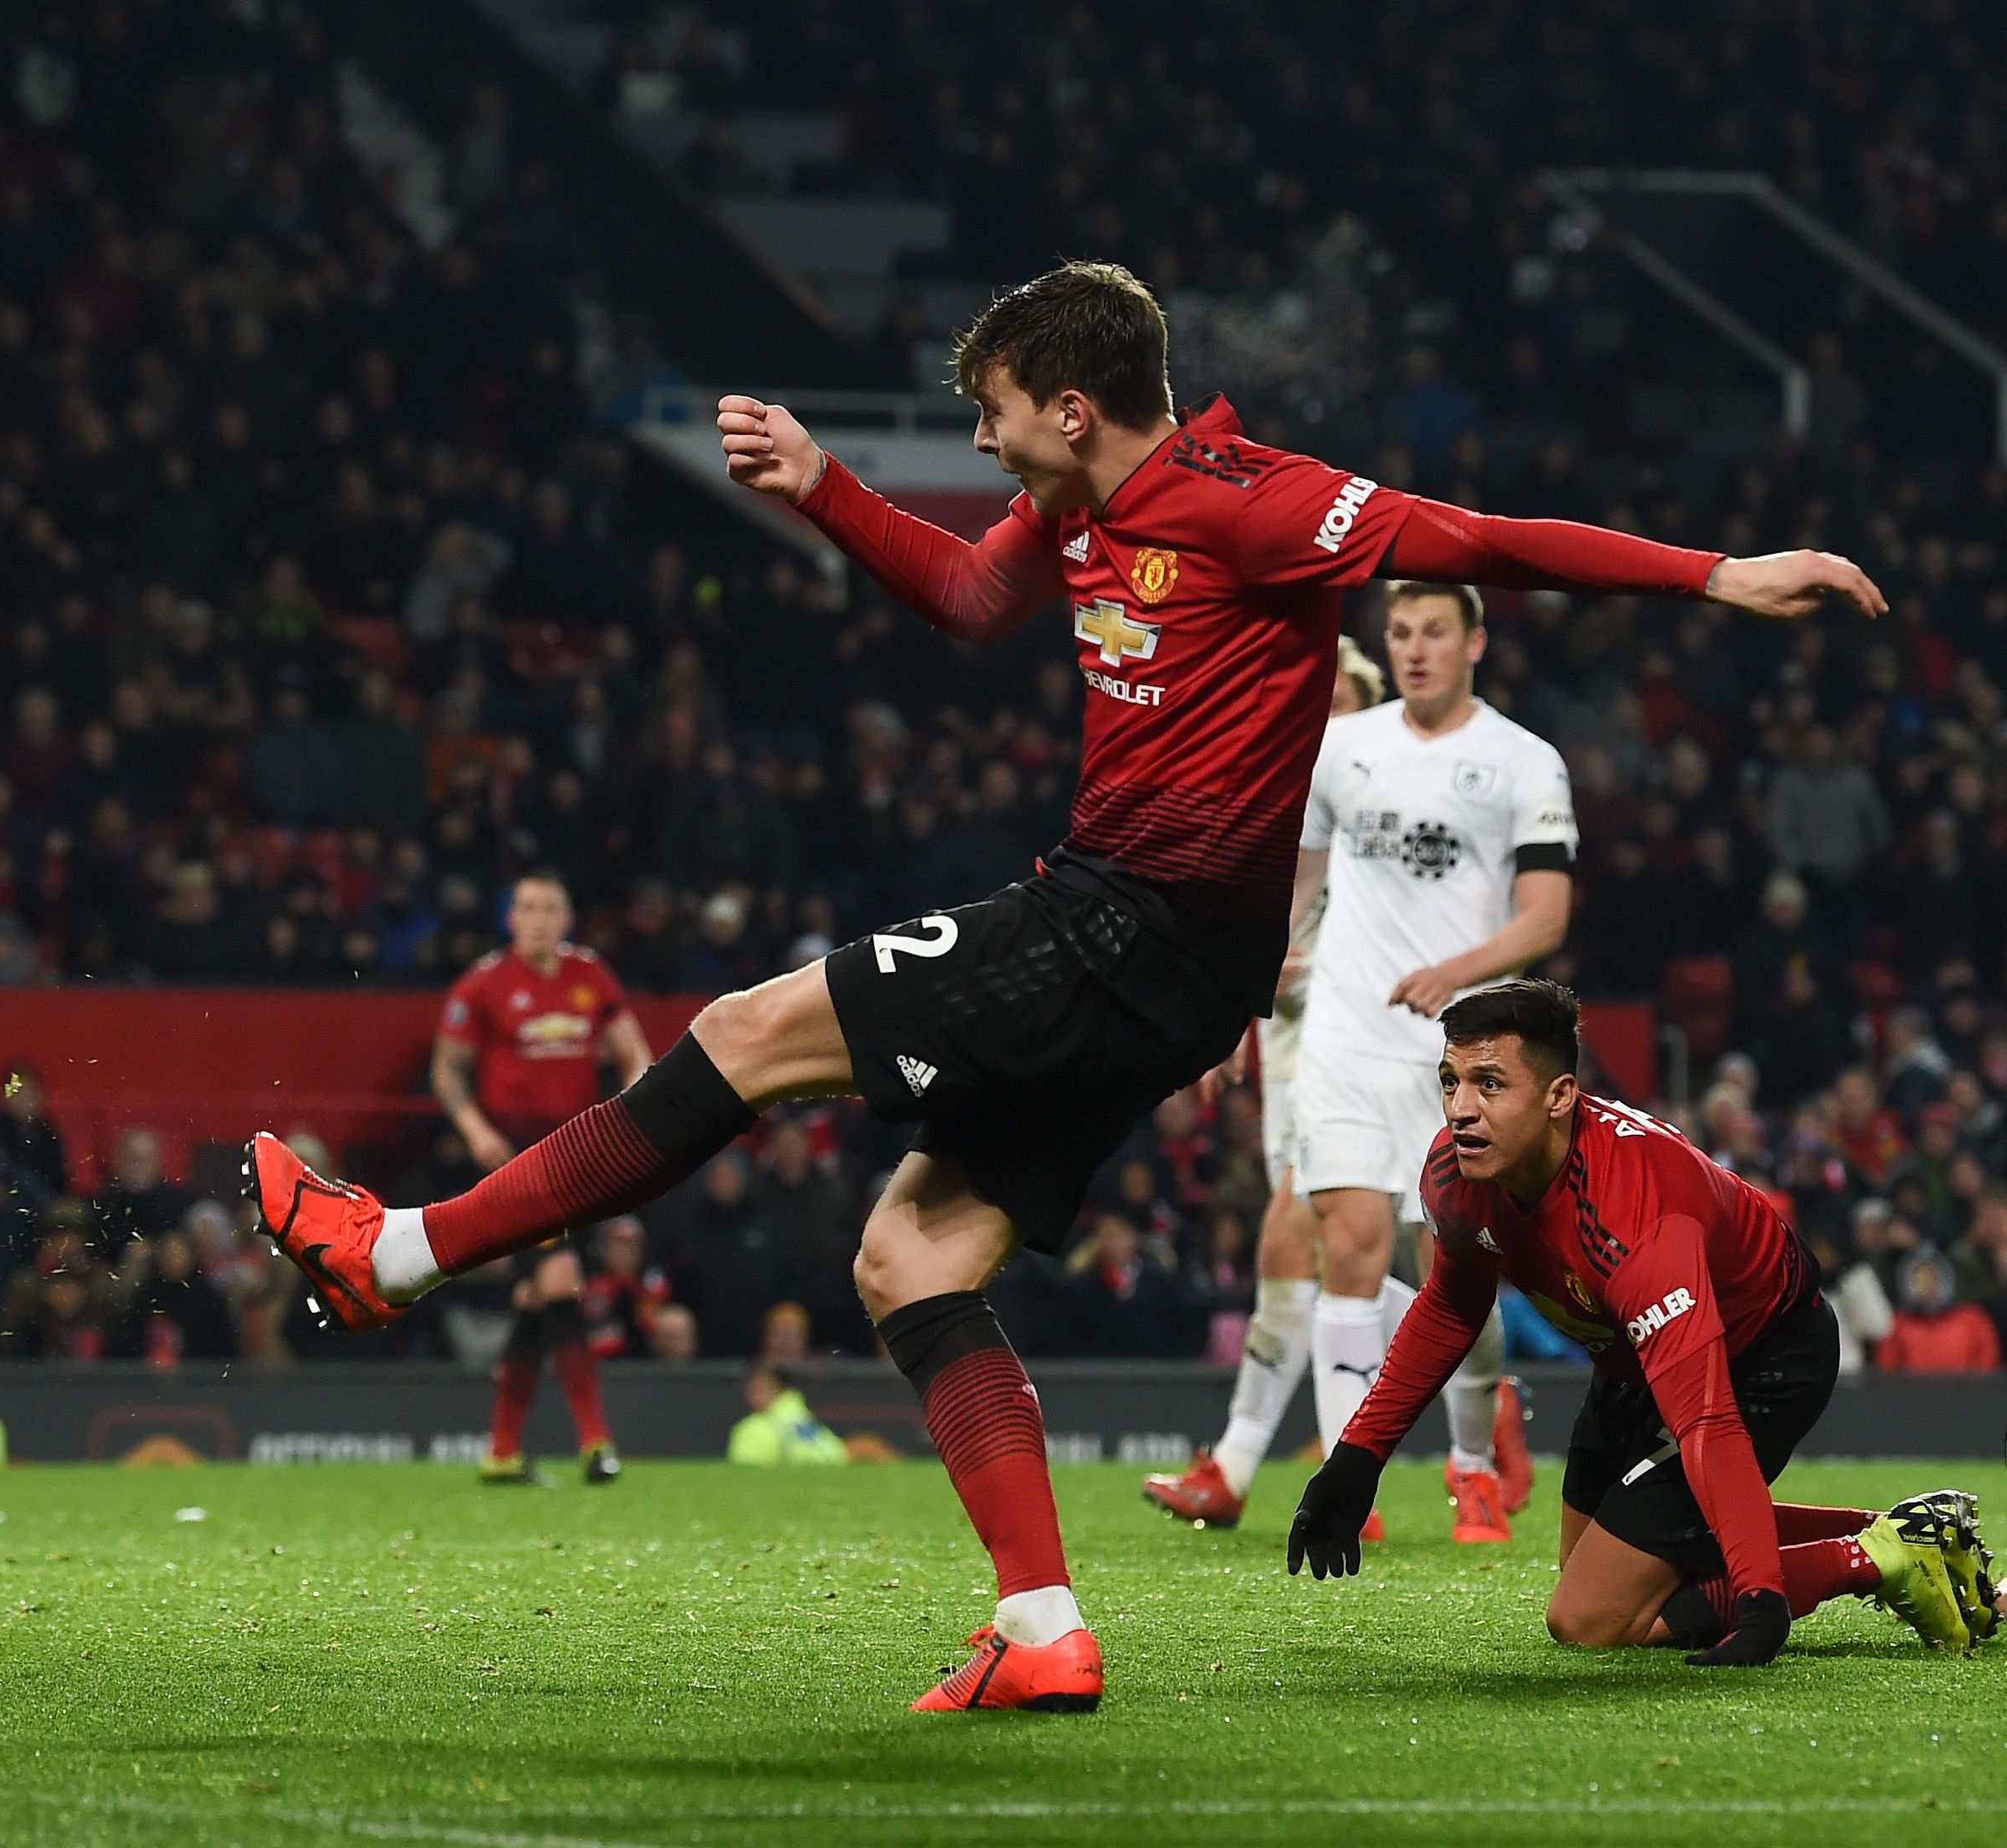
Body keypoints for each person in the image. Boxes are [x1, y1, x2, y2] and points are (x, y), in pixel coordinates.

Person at [246, 260, 1881, 1713]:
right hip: (1157, 961)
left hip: (1131, 924)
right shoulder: (1076, 514)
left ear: (1076, 405)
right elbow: (964, 597)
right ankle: (1041, 1626)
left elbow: (1473, 539)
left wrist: (1713, 572)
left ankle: (396, 1251)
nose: (979, 440)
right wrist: (820, 485)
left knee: (742, 1034)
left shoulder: (1249, 499)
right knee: (910, 1258)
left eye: (995, 411)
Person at [1287, 979, 1996, 1664]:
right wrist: (1357, 1458)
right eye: (1451, 1081)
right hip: (1632, 1356)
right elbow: (1450, 1305)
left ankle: (1871, 1559)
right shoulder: (1458, 1170)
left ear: (1561, 1095)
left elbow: (1708, 1423)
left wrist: (1760, 1597)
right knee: (1591, 1564)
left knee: (1589, 1617)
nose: (1460, 1110)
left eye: (1491, 1084)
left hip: (1761, 1355)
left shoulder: (1635, 1218)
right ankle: (1902, 1533)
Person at [1153, 588, 1556, 1539]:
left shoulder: (1464, 769)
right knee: (1309, 1240)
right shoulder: (1299, 786)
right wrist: (1234, 1001)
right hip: (1316, 1035)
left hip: (1411, 1035)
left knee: (1416, 1254)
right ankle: (1300, 1473)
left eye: (1331, 700)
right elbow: (1275, 911)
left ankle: (1468, 1408)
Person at [428, 869, 652, 1484]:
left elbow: (634, 1052)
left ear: (567, 917)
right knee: (560, 1279)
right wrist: (476, 1131)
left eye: (551, 907)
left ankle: (501, 1451)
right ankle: (596, 1442)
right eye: (528, 907)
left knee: (535, 1303)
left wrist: (633, 1111)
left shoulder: (590, 977)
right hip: (516, 1161)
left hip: (576, 1157)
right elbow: (447, 1070)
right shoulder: (485, 983)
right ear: (511, 918)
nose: (539, 918)